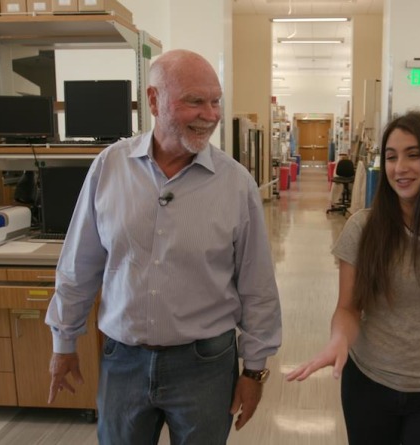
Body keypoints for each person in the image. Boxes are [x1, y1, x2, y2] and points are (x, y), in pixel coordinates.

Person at [45, 49, 282, 445]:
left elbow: (258, 286)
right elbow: (78, 266)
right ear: (154, 101)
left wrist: (254, 370)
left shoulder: (236, 184)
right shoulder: (109, 168)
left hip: (205, 365)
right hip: (123, 361)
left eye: (215, 101)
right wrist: (63, 342)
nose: (210, 114)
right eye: (194, 101)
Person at [287, 112, 420, 444]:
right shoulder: (363, 229)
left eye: (413, 155)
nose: (399, 167)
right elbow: (348, 309)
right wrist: (338, 340)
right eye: (391, 157)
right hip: (369, 387)